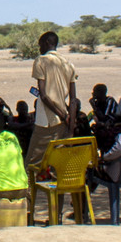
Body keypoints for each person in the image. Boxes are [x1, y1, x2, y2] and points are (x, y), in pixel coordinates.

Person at [27, 31, 79, 185]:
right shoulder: (68, 64)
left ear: (46, 43)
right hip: (63, 123)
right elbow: (74, 99)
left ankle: (27, 205)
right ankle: (58, 208)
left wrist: (62, 115)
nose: (39, 48)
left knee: (31, 165)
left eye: (40, 45)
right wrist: (70, 126)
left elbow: (43, 95)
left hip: (47, 121)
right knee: (58, 168)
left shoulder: (41, 61)